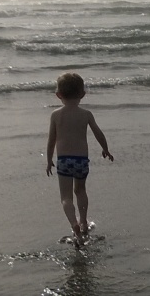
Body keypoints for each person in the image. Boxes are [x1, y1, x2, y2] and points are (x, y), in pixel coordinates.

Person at [46, 72, 114, 239]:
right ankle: (83, 221)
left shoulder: (55, 115)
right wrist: (106, 149)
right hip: (81, 161)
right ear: (82, 94)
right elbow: (98, 133)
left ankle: (73, 223)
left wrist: (49, 160)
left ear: (58, 95)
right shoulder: (86, 114)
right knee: (81, 190)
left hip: (63, 160)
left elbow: (51, 140)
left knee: (66, 197)